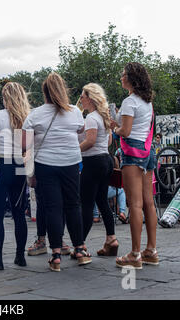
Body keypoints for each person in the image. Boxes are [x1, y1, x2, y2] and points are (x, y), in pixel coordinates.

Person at [22, 72, 91, 272]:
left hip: (45, 163)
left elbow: (24, 144)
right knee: (73, 204)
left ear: (45, 93)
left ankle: (56, 254)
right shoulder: (75, 112)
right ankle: (80, 249)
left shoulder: (35, 114)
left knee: (53, 207)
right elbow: (81, 130)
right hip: (71, 162)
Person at [110, 62, 158, 269]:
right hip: (147, 152)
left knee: (134, 204)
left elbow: (126, 132)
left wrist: (114, 126)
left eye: (123, 74)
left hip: (132, 153)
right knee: (148, 202)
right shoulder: (147, 102)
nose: (121, 77)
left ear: (131, 78)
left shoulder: (130, 101)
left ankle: (135, 254)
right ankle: (151, 250)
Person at [0, 81, 30, 270]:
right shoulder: (28, 116)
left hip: (0, 164)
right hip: (19, 164)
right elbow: (28, 145)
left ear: (5, 98)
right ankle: (20, 256)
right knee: (19, 213)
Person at [78, 83, 118, 256]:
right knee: (102, 201)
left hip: (93, 162)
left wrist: (73, 149)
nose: (80, 99)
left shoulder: (91, 118)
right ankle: (111, 239)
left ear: (91, 98)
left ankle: (80, 244)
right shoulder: (103, 117)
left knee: (86, 204)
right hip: (105, 160)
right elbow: (108, 142)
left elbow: (90, 141)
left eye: (83, 96)